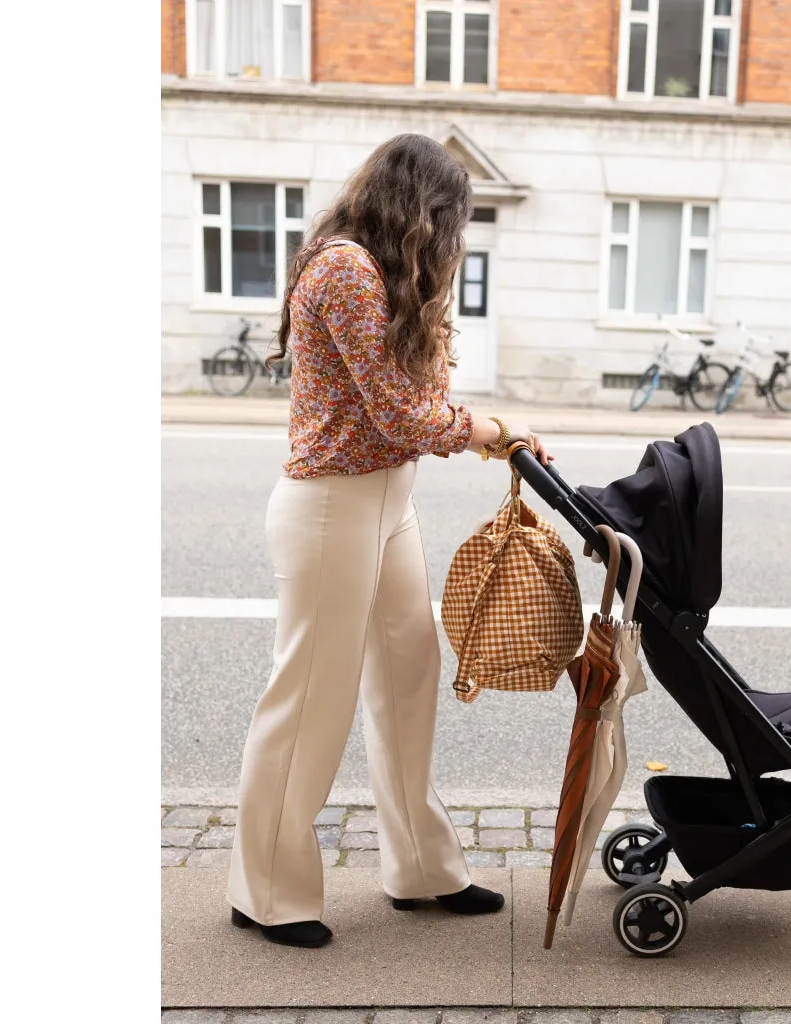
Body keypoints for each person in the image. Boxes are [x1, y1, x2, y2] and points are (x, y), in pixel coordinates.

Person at [226, 133, 551, 949]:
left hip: (385, 503)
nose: (453, 240)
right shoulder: (344, 269)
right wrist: (487, 429)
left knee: (409, 672)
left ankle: (420, 868)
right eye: (451, 221)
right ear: (422, 211)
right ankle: (265, 889)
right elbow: (396, 414)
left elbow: (413, 396)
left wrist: (483, 424)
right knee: (309, 699)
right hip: (333, 506)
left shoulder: (385, 274)